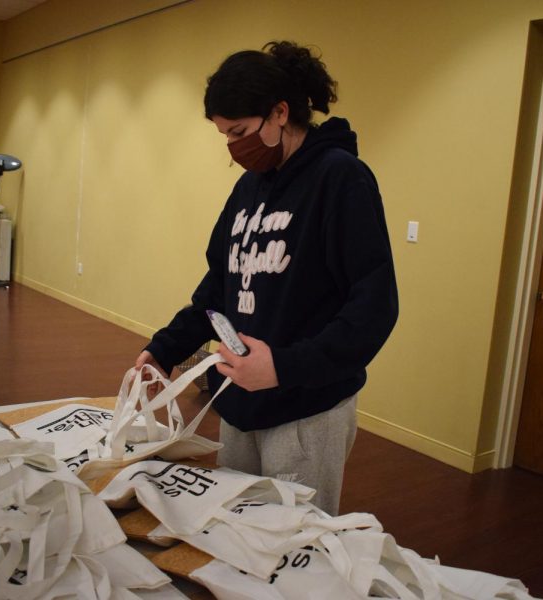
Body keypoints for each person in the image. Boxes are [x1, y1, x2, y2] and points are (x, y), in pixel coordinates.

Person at [134, 40, 398, 515]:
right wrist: (164, 348)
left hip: (305, 412)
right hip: (238, 402)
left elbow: (374, 306)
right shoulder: (248, 187)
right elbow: (220, 287)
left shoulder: (341, 178)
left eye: (239, 132)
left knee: (292, 552)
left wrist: (284, 367)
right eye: (224, 137)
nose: (234, 149)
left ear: (280, 112)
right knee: (236, 536)